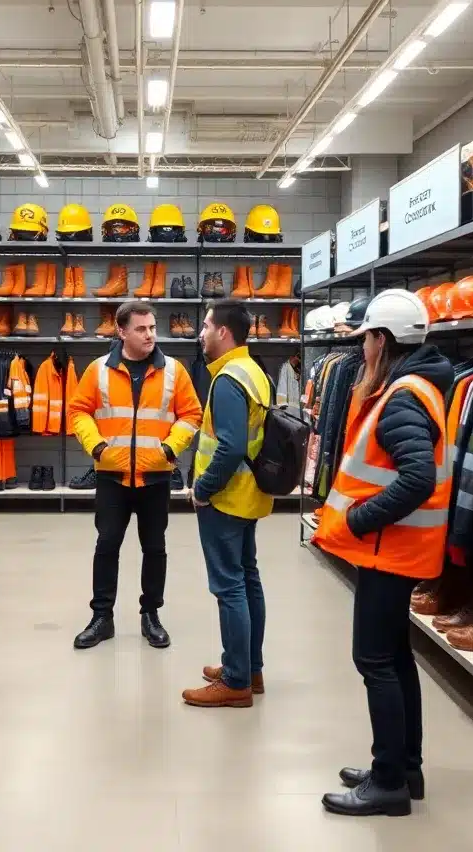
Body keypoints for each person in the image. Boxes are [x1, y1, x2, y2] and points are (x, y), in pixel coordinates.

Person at [312, 288, 453, 817]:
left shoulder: (403, 396)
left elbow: (416, 478)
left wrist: (358, 518)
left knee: (374, 659)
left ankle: (389, 782)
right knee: (394, 657)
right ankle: (404, 768)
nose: (362, 348)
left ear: (382, 339)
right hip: (399, 549)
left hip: (387, 549)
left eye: (367, 338)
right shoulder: (419, 385)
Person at [69, 300, 202, 650]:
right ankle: (102, 617)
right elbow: (79, 411)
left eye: (152, 327)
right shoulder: (98, 370)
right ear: (122, 331)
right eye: (141, 329)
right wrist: (97, 447)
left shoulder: (173, 371)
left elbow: (191, 414)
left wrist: (170, 449)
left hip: (155, 477)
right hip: (112, 476)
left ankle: (151, 615)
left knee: (154, 548)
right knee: (107, 545)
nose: (149, 335)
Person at [181, 300, 274, 709]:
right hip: (249, 495)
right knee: (247, 579)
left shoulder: (228, 380)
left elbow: (231, 446)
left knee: (229, 586)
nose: (200, 333)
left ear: (223, 332)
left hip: (225, 498)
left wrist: (202, 488)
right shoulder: (254, 371)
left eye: (205, 326)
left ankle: (236, 681)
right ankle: (249, 668)